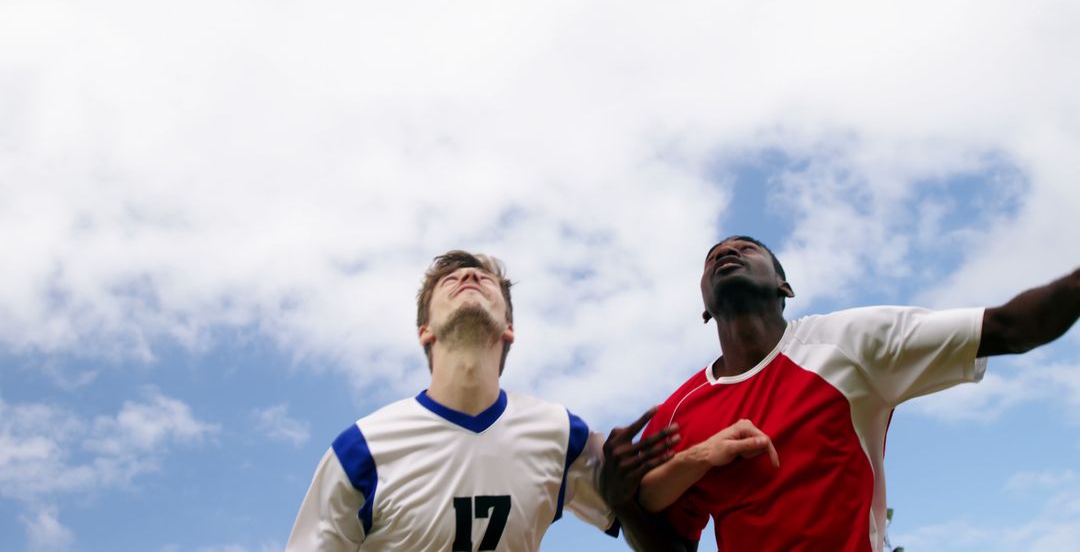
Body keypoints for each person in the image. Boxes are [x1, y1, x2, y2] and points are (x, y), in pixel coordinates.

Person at [601, 235, 1080, 552]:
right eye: (712, 258)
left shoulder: (850, 343)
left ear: (784, 286)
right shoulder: (678, 413)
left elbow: (1012, 328)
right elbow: (672, 545)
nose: (727, 252)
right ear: (705, 307)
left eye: (747, 247)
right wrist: (621, 499)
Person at [286, 250, 675, 551]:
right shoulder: (362, 450)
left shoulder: (562, 434)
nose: (469, 277)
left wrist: (630, 495)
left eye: (484, 278)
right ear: (424, 331)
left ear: (509, 328)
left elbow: (657, 537)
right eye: (450, 280)